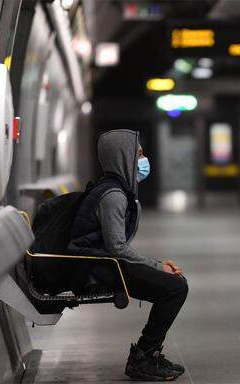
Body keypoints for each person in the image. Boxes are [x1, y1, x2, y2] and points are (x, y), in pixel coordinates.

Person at [68, 129, 188, 381]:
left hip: (102, 263)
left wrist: (156, 265)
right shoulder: (113, 196)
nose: (143, 160)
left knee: (174, 284)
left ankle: (146, 354)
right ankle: (143, 357)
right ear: (124, 156)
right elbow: (117, 248)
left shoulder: (114, 190)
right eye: (139, 154)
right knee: (175, 288)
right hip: (96, 269)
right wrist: (156, 266)